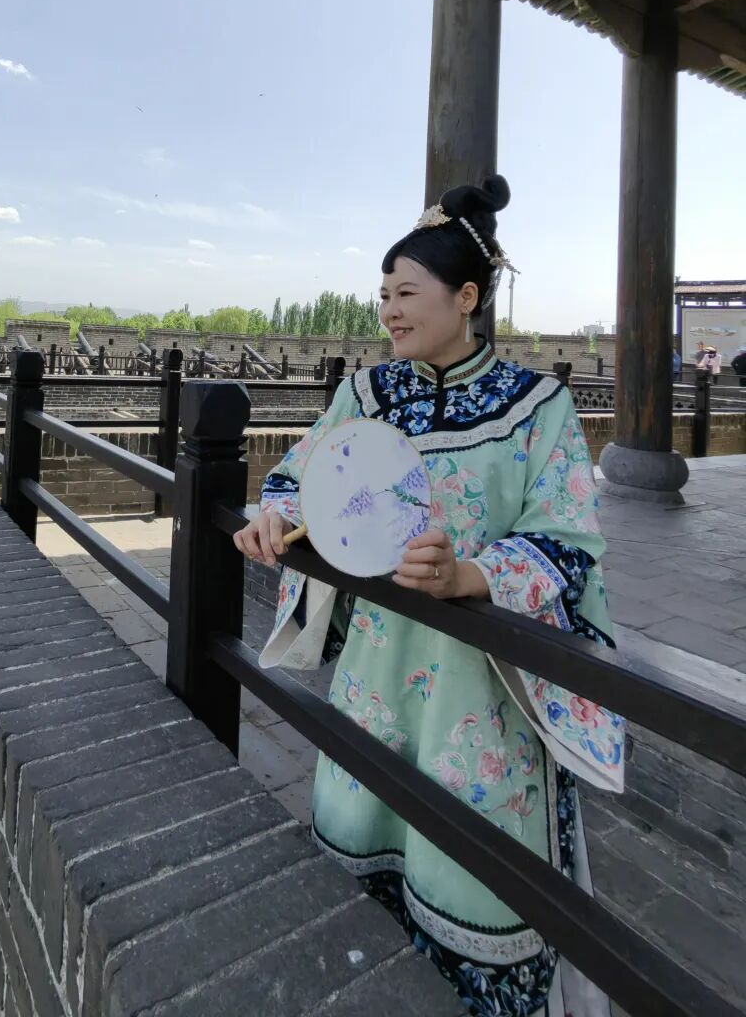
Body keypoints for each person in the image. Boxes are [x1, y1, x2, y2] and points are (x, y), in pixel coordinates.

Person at [235, 175, 623, 1017]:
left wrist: (468, 577)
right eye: (383, 295)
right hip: (377, 675)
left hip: (480, 695)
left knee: (477, 878)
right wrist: (276, 517)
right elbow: (301, 477)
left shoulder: (538, 408)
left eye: (406, 293)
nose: (389, 311)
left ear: (467, 297)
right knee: (362, 852)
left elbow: (568, 537)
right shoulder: (366, 395)